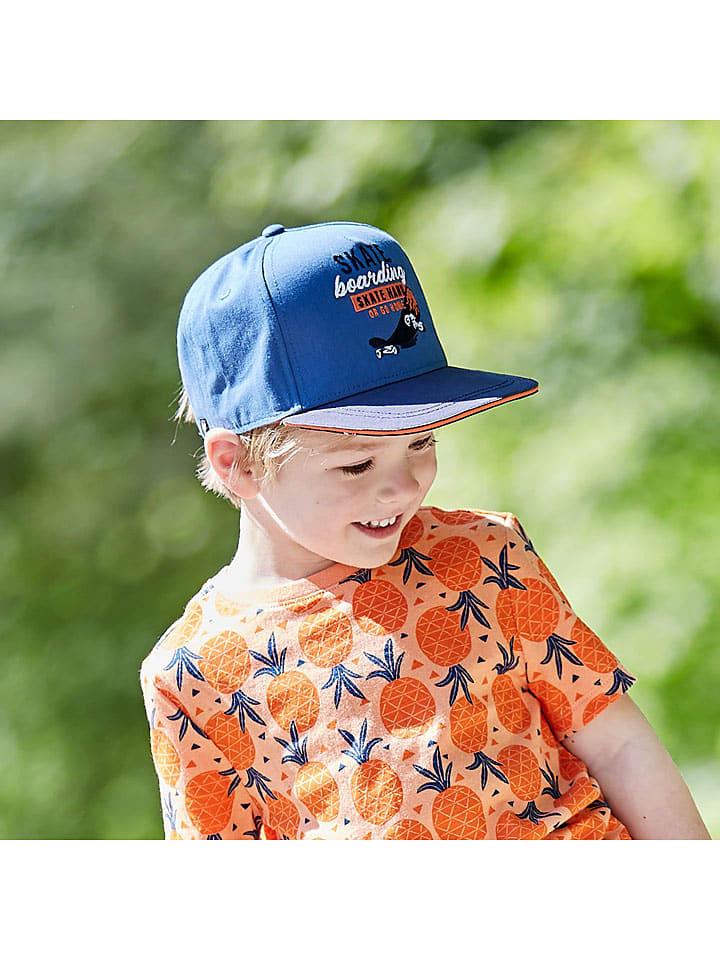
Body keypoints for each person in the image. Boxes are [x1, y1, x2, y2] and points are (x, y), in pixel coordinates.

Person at [139, 221, 710, 840]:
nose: (403, 486)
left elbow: (619, 745)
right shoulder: (193, 675)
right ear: (239, 464)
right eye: (356, 464)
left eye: (421, 442)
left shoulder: (483, 556)